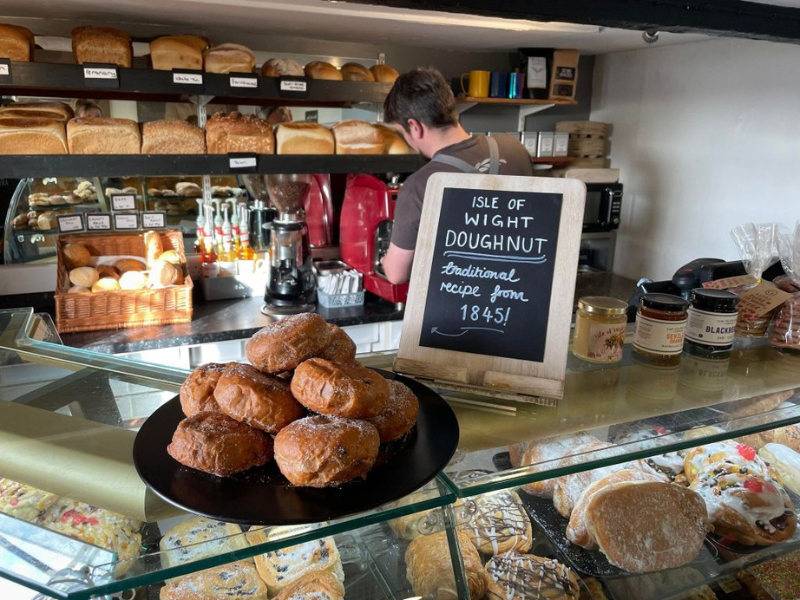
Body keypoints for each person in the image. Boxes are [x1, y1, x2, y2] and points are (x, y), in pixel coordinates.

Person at [380, 67, 534, 284]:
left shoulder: (421, 184)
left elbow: (396, 274)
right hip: (520, 295)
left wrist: (386, 258)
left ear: (414, 126)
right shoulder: (514, 149)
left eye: (401, 132)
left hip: (463, 303)